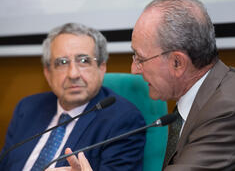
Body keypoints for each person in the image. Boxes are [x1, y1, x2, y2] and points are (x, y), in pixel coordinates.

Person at [50, 0, 235, 171]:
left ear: (177, 63)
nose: (134, 70)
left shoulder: (228, 110)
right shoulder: (205, 92)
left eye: (140, 58)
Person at [0, 23, 146, 171]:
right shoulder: (27, 108)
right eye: (62, 62)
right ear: (48, 73)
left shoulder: (123, 121)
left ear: (101, 68)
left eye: (84, 61)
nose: (73, 74)